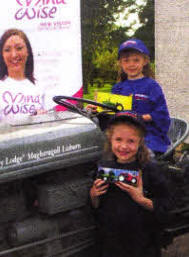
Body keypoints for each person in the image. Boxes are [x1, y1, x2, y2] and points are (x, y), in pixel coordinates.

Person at [89, 112, 172, 257]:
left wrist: (141, 199)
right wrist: (93, 195)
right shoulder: (103, 167)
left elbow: (166, 206)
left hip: (142, 244)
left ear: (140, 142)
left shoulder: (150, 169)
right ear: (110, 140)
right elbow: (97, 209)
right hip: (111, 243)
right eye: (118, 139)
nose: (123, 146)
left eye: (131, 141)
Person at [89, 39, 171, 155]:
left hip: (148, 137)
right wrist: (97, 110)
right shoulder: (117, 88)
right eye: (126, 61)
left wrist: (141, 117)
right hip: (122, 136)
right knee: (99, 153)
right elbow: (110, 115)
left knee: (139, 154)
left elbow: (162, 115)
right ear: (120, 63)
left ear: (145, 61)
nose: (131, 64)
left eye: (136, 60)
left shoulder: (152, 86)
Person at [0, 28, 46, 123]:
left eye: (19, 48)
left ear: (28, 52)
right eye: (7, 50)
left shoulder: (39, 86)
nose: (14, 55)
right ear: (1, 55)